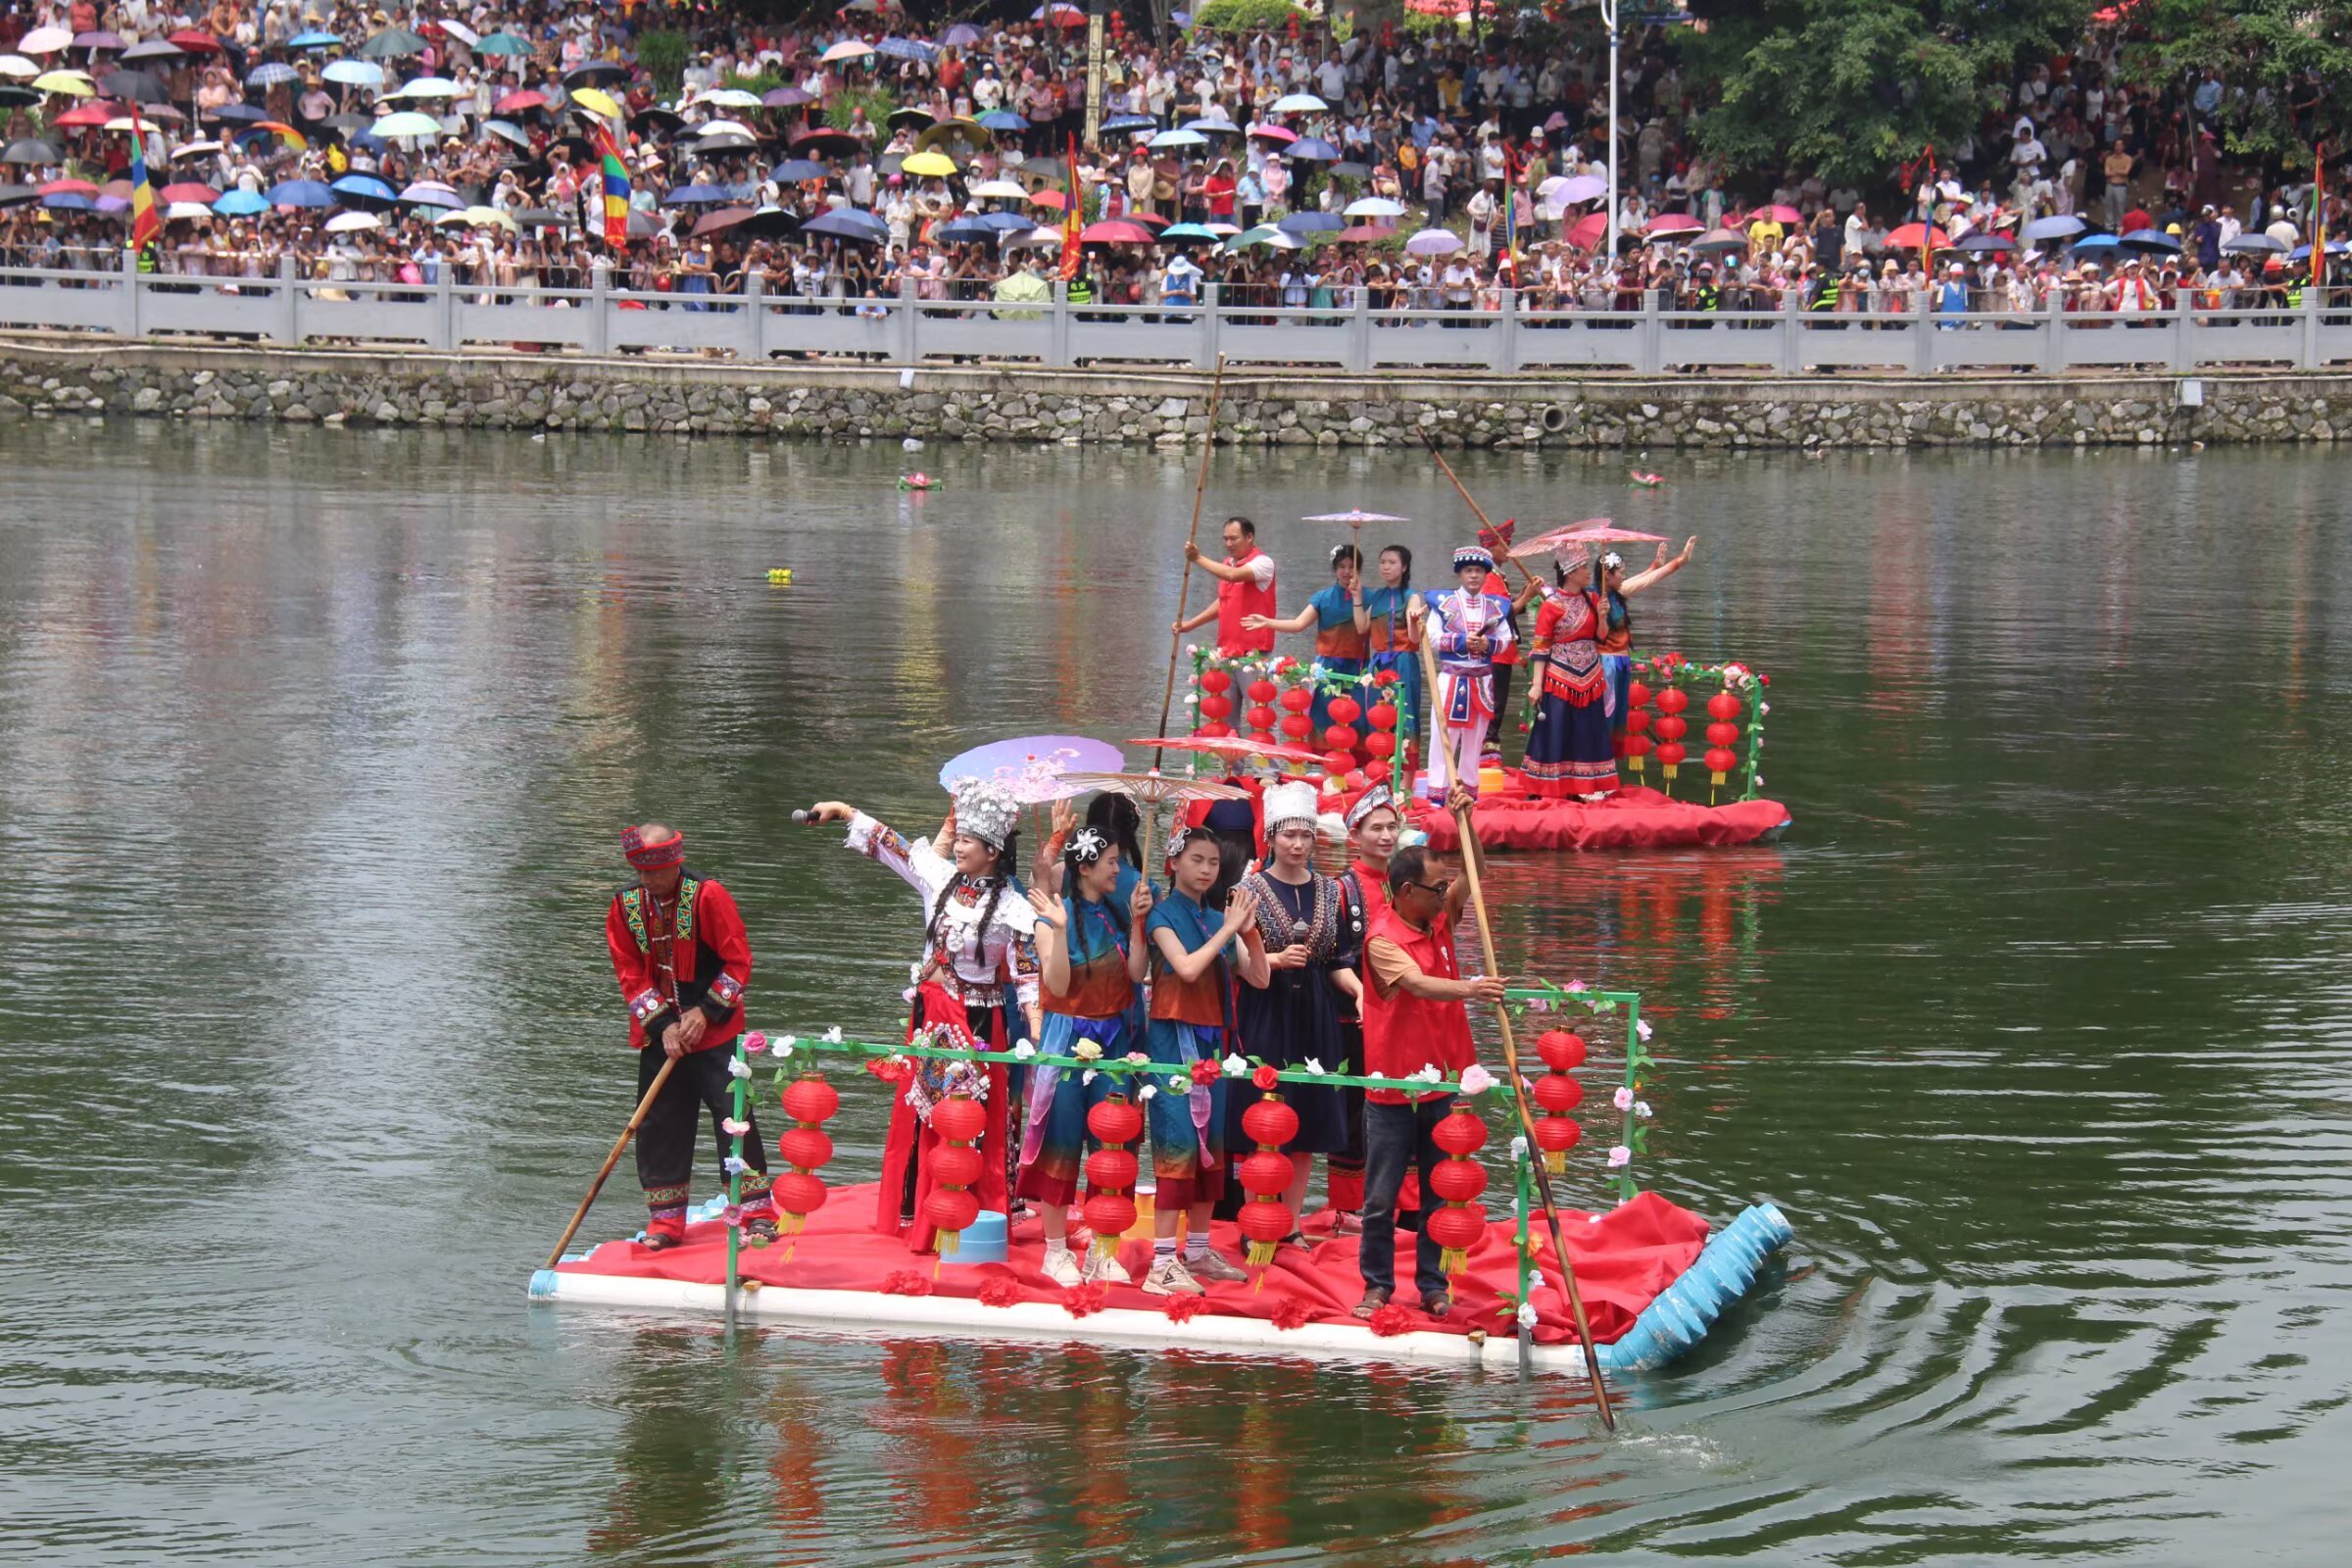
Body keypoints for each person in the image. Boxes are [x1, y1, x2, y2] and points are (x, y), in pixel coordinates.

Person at [805, 781, 1042, 1251]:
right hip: (931, 1015)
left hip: (978, 1021)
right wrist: (845, 810)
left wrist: (1036, 1030)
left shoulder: (1013, 909)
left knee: (967, 1113)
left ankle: (969, 1211)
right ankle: (918, 1207)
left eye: (968, 841)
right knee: (921, 1106)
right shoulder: (939, 877)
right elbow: (890, 845)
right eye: (959, 839)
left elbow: (1027, 977)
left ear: (992, 850)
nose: (957, 845)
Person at [1356, 826, 1503, 1318]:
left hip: (1443, 1082)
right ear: (1405, 892)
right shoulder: (1381, 938)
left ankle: (1432, 1284)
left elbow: (1476, 872)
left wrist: (1468, 818)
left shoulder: (1438, 921)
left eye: (1445, 888)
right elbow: (1417, 984)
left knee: (1440, 1191)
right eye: (1436, 889)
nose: (1445, 895)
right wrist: (1473, 989)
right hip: (1394, 1085)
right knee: (1381, 1197)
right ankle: (1377, 1284)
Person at [604, 823, 774, 1250]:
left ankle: (756, 1211)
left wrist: (707, 1011)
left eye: (655, 871)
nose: (647, 880)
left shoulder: (706, 896)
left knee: (734, 1119)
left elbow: (738, 962)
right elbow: (629, 971)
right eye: (640, 871)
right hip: (661, 1035)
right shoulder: (624, 905)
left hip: (715, 1032)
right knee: (661, 1123)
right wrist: (664, 1026)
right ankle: (665, 1222)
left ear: (674, 863)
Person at [1230, 782, 1366, 1246]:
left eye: (1305, 835)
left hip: (1315, 1011)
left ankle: (1289, 1225)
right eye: (1288, 835)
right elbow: (1234, 960)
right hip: (1266, 1008)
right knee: (1263, 1117)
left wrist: (1359, 991)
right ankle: (1255, 1221)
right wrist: (1273, 959)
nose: (1297, 844)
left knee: (1306, 1118)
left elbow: (1337, 961)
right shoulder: (1247, 890)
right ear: (1271, 836)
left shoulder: (1330, 890)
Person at [1020, 824, 1154, 1287]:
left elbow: (1137, 976)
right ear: (1086, 868)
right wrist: (1058, 931)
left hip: (1115, 1040)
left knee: (1111, 1145)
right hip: (1067, 1041)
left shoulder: (1116, 914)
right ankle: (1054, 1252)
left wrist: (1138, 924)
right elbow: (1056, 988)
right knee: (1062, 1144)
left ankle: (1103, 1248)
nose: (1120, 869)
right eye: (1113, 861)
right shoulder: (1050, 917)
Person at [1142, 823, 1270, 1295]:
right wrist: (1230, 930)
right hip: (1173, 1044)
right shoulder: (1160, 915)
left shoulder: (1218, 918)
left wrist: (1250, 935)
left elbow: (1259, 978)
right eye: (1197, 860)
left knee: (1209, 1150)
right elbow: (1189, 967)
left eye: (1213, 863)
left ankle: (1196, 1250)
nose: (1206, 870)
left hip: (1213, 1045)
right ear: (1174, 862)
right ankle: (1160, 1263)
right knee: (1177, 1146)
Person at [1523, 552, 1620, 801]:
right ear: (1571, 572)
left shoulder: (1593, 598)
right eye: (1584, 568)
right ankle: (1544, 784)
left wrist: (1601, 615)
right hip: (1559, 675)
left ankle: (1584, 785)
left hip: (1590, 672)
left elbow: (1601, 637)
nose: (1589, 572)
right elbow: (1541, 648)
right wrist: (1536, 686)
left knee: (1588, 728)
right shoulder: (1551, 605)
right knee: (1555, 727)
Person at [1242, 541, 1368, 730]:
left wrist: (1358, 598)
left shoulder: (1369, 597)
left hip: (1358, 668)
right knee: (1324, 720)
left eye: (1352, 567)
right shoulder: (1323, 597)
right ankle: (1321, 759)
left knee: (1356, 722)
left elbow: (1369, 629)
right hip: (1327, 668)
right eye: (1342, 566)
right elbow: (1298, 624)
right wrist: (1267, 622)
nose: (1347, 572)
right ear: (1335, 569)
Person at [1423, 545, 1516, 799]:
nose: (1473, 575)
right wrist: (1463, 641)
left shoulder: (1498, 605)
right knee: (1443, 739)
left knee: (1475, 741)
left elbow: (1506, 639)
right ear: (1459, 574)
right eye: (1468, 571)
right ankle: (1437, 796)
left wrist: (1488, 644)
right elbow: (1431, 638)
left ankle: (1469, 794)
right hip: (1452, 678)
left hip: (1482, 679)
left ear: (1486, 574)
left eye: (1478, 570)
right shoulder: (1442, 603)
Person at [1597, 537, 1695, 755]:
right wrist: (1680, 561)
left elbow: (1642, 580)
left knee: (1617, 718)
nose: (1623, 576)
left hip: (1620, 661)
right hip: (1606, 663)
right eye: (1620, 572)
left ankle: (1606, 769)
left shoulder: (1615, 593)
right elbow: (1644, 581)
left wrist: (1657, 566)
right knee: (1606, 716)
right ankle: (1596, 767)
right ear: (1607, 575)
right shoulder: (1598, 598)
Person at [1357, 544, 1425, 774]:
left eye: (1392, 562)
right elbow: (1361, 627)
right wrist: (1357, 597)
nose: (1386, 567)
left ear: (1404, 567)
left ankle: (1405, 781)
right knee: (1379, 716)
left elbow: (1414, 639)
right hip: (1378, 664)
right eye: (1383, 562)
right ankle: (1380, 773)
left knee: (1405, 719)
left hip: (1403, 661)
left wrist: (1414, 621)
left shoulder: (1411, 597)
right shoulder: (1377, 596)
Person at [1173, 514, 1279, 658]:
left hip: (1254, 650)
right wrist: (1191, 624)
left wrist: (1197, 558)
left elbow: (1233, 575)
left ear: (1249, 537)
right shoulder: (1227, 563)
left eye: (1234, 539)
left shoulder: (1263, 562)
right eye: (1226, 539)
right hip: (1227, 648)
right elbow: (1224, 601)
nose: (1229, 544)